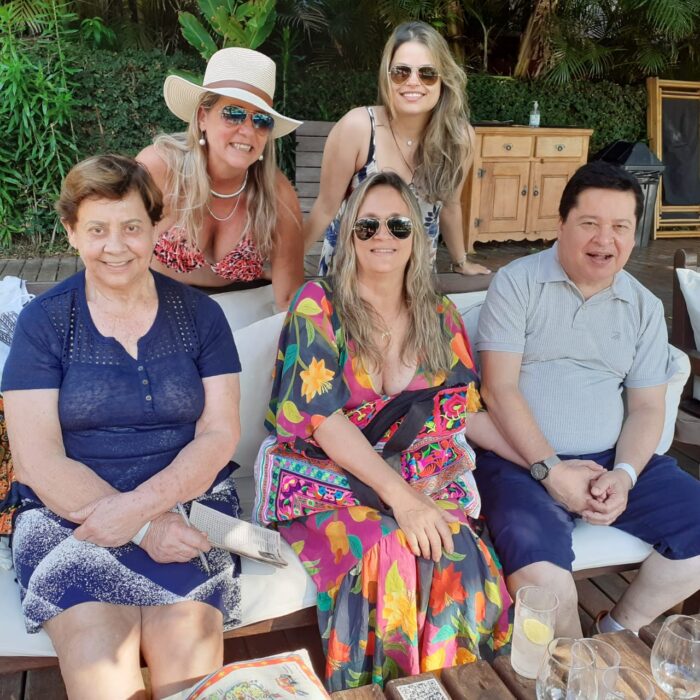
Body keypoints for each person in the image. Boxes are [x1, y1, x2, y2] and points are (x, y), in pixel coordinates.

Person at [259, 171, 515, 690]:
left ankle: (456, 686)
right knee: (388, 549)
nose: (383, 235)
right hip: (328, 480)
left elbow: (465, 413)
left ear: (418, 237)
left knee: (459, 552)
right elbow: (321, 419)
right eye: (367, 224)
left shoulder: (440, 315)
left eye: (399, 225)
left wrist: (546, 466)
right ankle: (382, 689)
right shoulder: (318, 302)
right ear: (348, 235)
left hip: (416, 477)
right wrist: (402, 499)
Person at [2, 155, 243, 700]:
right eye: (97, 229)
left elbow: (218, 434)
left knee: (189, 672)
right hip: (67, 513)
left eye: (132, 227)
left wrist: (152, 514)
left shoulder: (200, 316)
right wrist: (141, 527)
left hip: (187, 501)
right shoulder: (44, 323)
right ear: (71, 233)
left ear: (156, 228)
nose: (116, 245)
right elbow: (37, 460)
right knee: (104, 674)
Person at [474, 160, 700, 639]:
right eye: (590, 224)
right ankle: (572, 671)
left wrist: (625, 474)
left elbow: (645, 407)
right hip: (521, 463)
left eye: (620, 226)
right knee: (542, 582)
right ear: (561, 225)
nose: (605, 240)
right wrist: (550, 469)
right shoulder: (517, 283)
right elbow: (498, 389)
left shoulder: (643, 305)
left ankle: (617, 631)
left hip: (608, 462)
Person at [304, 21, 490, 277]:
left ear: (443, 80)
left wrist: (460, 261)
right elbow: (325, 207)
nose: (413, 82)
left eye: (427, 73)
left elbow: (450, 206)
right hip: (350, 276)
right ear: (386, 77)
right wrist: (288, 267)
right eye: (401, 72)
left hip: (414, 279)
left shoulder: (458, 138)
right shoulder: (358, 128)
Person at [138, 47, 304, 310]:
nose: (248, 130)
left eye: (261, 120)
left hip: (243, 318)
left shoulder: (277, 194)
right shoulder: (159, 169)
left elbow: (288, 299)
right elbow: (115, 250)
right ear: (203, 117)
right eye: (234, 114)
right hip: (159, 310)